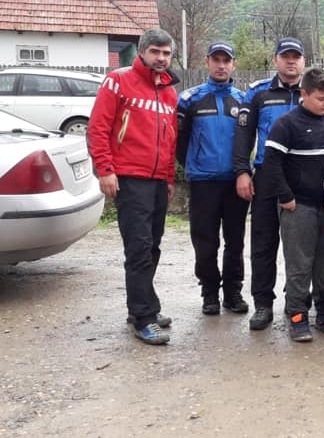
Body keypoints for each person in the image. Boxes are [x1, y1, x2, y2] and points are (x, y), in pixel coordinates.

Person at [88, 29, 179, 345]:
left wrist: (169, 177)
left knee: (152, 246)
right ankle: (143, 318)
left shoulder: (169, 92)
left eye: (166, 53)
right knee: (139, 248)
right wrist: (105, 170)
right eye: (155, 52)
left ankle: (144, 305)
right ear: (142, 52)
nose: (161, 58)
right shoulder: (118, 81)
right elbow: (98, 128)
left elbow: (170, 139)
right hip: (129, 178)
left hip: (157, 181)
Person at [259, 68, 324, 342]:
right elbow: (272, 163)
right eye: (320, 98)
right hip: (298, 206)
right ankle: (297, 314)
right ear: (303, 94)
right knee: (299, 264)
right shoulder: (286, 124)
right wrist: (285, 197)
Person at [233, 37, 311, 332]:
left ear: (303, 61)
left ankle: (298, 299)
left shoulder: (313, 90)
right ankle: (263, 304)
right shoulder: (258, 92)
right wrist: (242, 171)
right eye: (285, 56)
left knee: (302, 244)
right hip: (266, 174)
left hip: (302, 174)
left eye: (296, 57)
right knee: (264, 242)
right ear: (276, 60)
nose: (291, 61)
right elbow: (243, 135)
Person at [176, 41, 249, 316]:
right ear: (207, 62)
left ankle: (233, 292)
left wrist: (243, 171)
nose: (221, 65)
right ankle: (209, 293)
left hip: (235, 182)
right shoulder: (189, 99)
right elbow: (179, 141)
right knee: (205, 241)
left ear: (233, 64)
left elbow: (248, 139)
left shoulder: (243, 100)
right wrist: (195, 165)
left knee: (235, 241)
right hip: (203, 182)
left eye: (226, 61)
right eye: (216, 60)